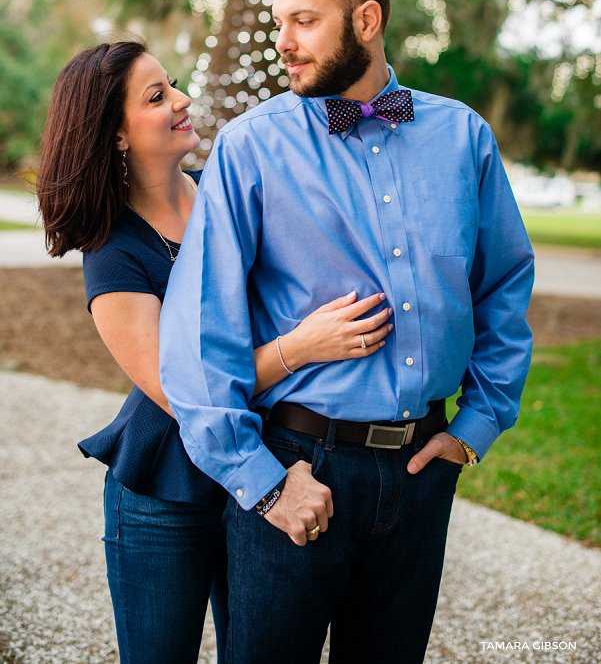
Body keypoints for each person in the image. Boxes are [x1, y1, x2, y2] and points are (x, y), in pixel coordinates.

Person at [159, 0, 535, 664]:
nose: (283, 45)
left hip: (423, 471)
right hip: (299, 465)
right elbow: (197, 334)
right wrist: (264, 486)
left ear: (365, 19)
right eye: (278, 23)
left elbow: (502, 288)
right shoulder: (251, 148)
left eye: (303, 21)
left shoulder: (462, 137)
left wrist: (475, 426)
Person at [35, 40, 394, 664]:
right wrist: (299, 349)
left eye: (172, 84)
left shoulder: (223, 193)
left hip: (264, 471)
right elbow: (178, 391)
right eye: (157, 97)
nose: (182, 100)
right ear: (115, 134)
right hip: (164, 493)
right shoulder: (113, 251)